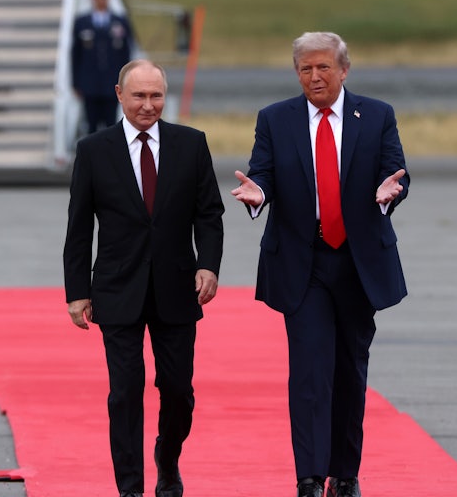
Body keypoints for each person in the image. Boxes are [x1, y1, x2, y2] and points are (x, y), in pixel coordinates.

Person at [231, 32, 410, 497]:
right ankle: (309, 477)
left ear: (344, 70)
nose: (315, 76)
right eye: (306, 68)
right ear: (297, 73)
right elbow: (262, 172)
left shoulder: (376, 115)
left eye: (324, 67)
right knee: (310, 371)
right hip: (302, 261)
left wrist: (391, 193)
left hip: (356, 262)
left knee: (350, 371)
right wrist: (259, 193)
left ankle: (344, 475)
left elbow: (395, 171)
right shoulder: (276, 119)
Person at [63, 59, 224, 497]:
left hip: (177, 287)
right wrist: (77, 292)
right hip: (117, 288)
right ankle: (130, 487)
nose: (148, 105)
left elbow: (209, 213)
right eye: (139, 96)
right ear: (119, 94)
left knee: (177, 391)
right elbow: (79, 227)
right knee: (125, 390)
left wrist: (208, 264)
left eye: (156, 96)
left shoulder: (191, 144)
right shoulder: (94, 150)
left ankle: (167, 458)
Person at [71, 0, 135, 134]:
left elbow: (126, 54)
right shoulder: (82, 22)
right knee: (91, 125)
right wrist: (76, 83)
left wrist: (125, 81)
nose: (101, 0)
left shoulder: (119, 22)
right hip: (90, 84)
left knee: (111, 125)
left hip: (111, 83)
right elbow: (76, 55)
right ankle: (93, 157)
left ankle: (110, 157)